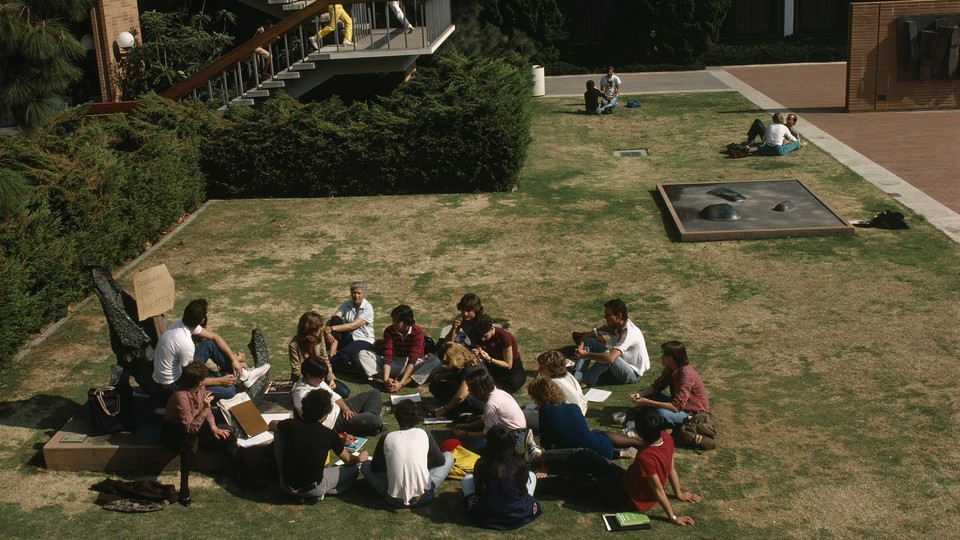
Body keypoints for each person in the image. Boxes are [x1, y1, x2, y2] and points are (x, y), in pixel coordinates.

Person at [537, 409, 701, 526]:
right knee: (586, 455)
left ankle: (531, 485)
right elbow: (671, 469)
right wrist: (679, 494)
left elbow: (658, 490)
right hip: (625, 480)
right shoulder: (666, 437)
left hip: (627, 497)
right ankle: (540, 455)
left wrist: (673, 517)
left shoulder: (646, 458)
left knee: (573, 481)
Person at [147, 298, 269, 405]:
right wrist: (220, 381)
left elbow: (214, 337)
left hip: (180, 372)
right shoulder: (185, 343)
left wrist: (233, 359)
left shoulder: (180, 324)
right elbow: (189, 379)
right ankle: (235, 376)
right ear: (202, 320)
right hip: (175, 385)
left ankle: (244, 375)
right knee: (230, 391)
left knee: (209, 344)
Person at [272, 388, 368, 503]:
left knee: (278, 431)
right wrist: (360, 458)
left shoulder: (291, 425)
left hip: (285, 485)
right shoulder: (329, 434)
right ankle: (320, 494)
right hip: (312, 488)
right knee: (354, 470)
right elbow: (348, 460)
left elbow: (272, 424)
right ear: (325, 414)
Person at [160, 361, 235, 506]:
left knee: (228, 437)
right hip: (175, 432)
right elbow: (189, 428)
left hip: (196, 423)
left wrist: (213, 427)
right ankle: (184, 486)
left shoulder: (200, 389)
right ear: (199, 382)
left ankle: (242, 473)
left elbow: (206, 412)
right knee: (191, 441)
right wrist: (206, 409)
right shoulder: (180, 396)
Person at [360, 399, 454, 507]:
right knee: (449, 456)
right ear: (417, 416)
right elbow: (441, 461)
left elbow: (375, 468)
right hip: (423, 496)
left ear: (397, 417)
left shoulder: (386, 437)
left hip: (394, 499)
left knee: (365, 465)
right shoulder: (424, 433)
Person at [527, 378, 642, 461]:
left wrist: (544, 466)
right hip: (603, 448)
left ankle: (621, 453)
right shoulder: (573, 407)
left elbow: (546, 443)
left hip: (582, 457)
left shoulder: (545, 411)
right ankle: (638, 444)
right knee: (597, 433)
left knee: (566, 447)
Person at [461, 425, 543, 530]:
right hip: (516, 514)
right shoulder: (517, 462)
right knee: (531, 475)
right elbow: (522, 488)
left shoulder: (482, 463)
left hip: (485, 516)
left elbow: (478, 487)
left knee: (467, 479)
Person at [292, 356, 383, 436]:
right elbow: (315, 422)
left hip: (340, 409)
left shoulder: (315, 381)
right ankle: (369, 421)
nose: (322, 380)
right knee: (375, 420)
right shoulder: (302, 395)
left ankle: (368, 423)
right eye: (320, 378)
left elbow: (334, 396)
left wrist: (346, 409)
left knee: (375, 393)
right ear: (308, 375)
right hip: (335, 422)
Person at [357, 304, 439, 391]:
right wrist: (385, 380)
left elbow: (412, 360)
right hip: (396, 362)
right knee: (362, 354)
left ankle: (406, 381)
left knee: (437, 361)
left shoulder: (417, 332)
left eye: (397, 321)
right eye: (393, 320)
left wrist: (402, 383)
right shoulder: (389, 330)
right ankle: (389, 380)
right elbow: (387, 357)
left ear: (406, 321)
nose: (394, 323)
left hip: (414, 365)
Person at [572, 298, 650, 388]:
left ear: (619, 316)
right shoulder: (611, 325)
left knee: (608, 356)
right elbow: (586, 335)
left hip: (632, 374)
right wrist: (580, 347)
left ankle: (586, 380)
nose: (605, 317)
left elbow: (611, 358)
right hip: (620, 363)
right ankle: (577, 375)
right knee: (590, 341)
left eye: (608, 315)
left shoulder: (629, 333)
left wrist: (586, 355)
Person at [630, 340, 709, 428]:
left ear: (675, 357)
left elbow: (676, 407)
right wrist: (640, 395)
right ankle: (650, 412)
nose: (662, 357)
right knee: (645, 394)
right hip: (676, 403)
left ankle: (654, 415)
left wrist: (647, 402)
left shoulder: (685, 375)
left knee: (661, 413)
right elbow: (657, 386)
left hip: (691, 412)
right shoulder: (670, 368)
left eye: (665, 355)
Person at [452, 371, 526, 454]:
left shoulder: (491, 404)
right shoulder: (500, 392)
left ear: (478, 389)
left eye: (470, 387)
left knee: (475, 445)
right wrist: (468, 426)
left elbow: (488, 434)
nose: (468, 390)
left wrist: (465, 434)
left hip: (513, 438)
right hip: (515, 431)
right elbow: (485, 418)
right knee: (468, 421)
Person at [289, 310, 349, 397]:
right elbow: (297, 371)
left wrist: (330, 378)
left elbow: (325, 359)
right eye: (318, 328)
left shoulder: (320, 338)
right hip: (305, 380)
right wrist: (317, 384)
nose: (321, 330)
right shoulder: (294, 345)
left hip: (321, 376)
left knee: (345, 392)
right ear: (310, 330)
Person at [524, 350, 587, 430]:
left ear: (553, 369)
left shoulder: (551, 384)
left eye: (542, 368)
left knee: (521, 414)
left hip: (567, 419)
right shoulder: (568, 375)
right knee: (526, 407)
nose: (538, 370)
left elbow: (542, 406)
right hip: (579, 411)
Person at [325, 281, 375, 375]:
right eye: (354, 293)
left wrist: (331, 329)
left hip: (363, 339)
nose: (356, 296)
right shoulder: (347, 304)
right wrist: (328, 332)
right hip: (348, 336)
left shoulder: (368, 308)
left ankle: (331, 363)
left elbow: (353, 325)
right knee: (335, 319)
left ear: (364, 294)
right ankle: (331, 354)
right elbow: (334, 317)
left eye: (359, 293)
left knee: (346, 353)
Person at [429, 342, 488, 419]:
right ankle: (453, 406)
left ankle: (456, 410)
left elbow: (461, 396)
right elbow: (458, 374)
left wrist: (445, 410)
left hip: (480, 400)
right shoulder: (463, 361)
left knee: (464, 398)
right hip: (468, 392)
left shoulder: (470, 368)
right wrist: (444, 376)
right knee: (435, 385)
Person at [470, 313, 526, 394]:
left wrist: (489, 359)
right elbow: (479, 347)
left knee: (513, 382)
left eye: (485, 336)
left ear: (492, 329)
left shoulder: (503, 336)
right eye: (481, 337)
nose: (482, 339)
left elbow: (508, 365)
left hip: (511, 370)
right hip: (493, 368)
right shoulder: (479, 335)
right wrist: (478, 352)